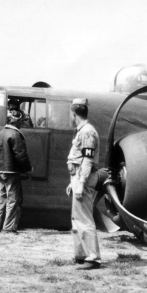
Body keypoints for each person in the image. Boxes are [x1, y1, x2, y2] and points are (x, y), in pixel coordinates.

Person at [66, 98, 102, 270]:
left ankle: (93, 258)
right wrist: (73, 183)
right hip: (79, 178)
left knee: (84, 219)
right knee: (76, 219)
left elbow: (87, 159)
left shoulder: (86, 132)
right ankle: (81, 254)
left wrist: (80, 183)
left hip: (84, 179)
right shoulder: (83, 131)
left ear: (73, 114)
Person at [0, 105, 32, 234]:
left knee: (0, 198)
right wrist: (28, 170)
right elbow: (21, 155)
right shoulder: (16, 134)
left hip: (0, 171)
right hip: (12, 172)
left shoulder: (0, 133)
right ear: (16, 120)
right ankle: (9, 228)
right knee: (14, 199)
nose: (21, 123)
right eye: (20, 121)